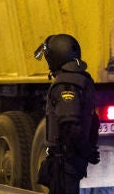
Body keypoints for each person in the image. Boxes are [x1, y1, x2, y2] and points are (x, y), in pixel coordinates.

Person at [34, 34, 100, 194]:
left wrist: (85, 150)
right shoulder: (82, 79)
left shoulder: (65, 85)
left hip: (66, 160)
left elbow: (70, 125)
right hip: (71, 159)